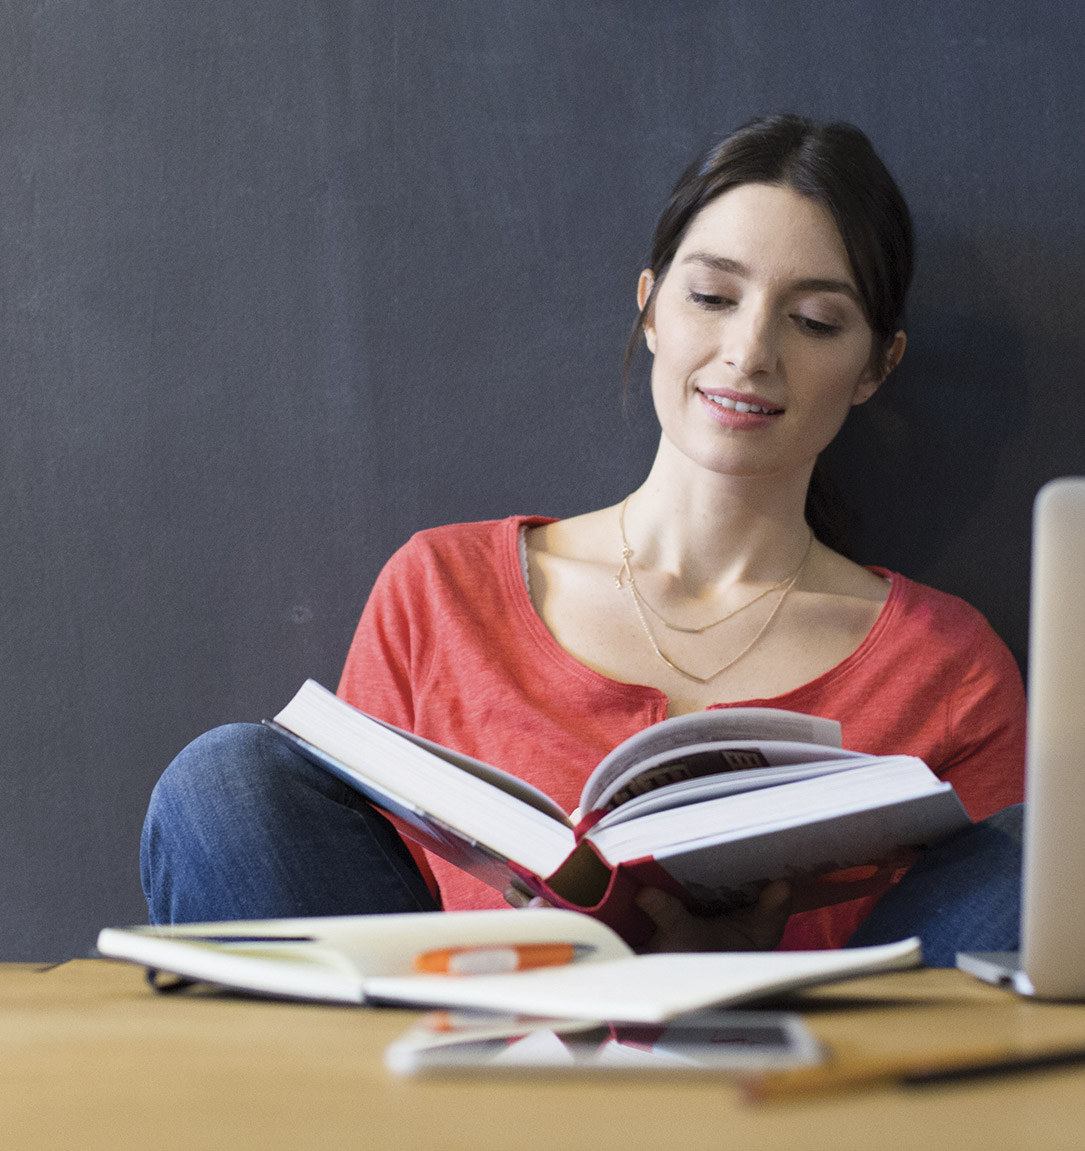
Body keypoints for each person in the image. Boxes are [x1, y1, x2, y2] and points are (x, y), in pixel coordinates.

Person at [140, 115, 1025, 964]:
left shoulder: (947, 667)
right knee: (224, 784)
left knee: (1039, 851)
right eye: (712, 297)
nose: (751, 351)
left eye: (816, 321)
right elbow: (354, 890)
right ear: (651, 309)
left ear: (876, 365)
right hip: (474, 1045)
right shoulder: (443, 589)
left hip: (807, 1053)